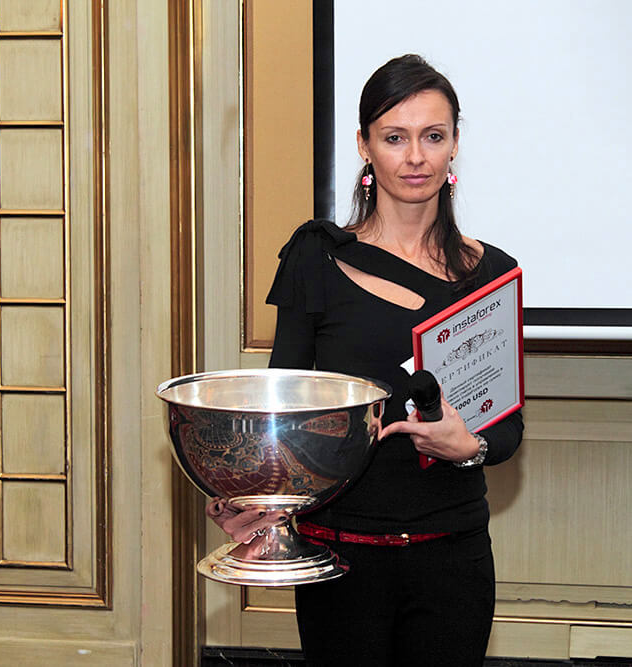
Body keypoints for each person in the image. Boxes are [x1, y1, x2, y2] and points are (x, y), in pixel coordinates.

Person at [207, 54, 524, 666]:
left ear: (455, 144)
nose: (416, 157)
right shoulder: (316, 258)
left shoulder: (493, 274)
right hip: (339, 556)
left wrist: (469, 447)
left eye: (433, 136)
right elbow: (281, 417)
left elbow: (507, 432)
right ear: (364, 145)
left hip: (453, 556)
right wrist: (250, 499)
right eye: (394, 137)